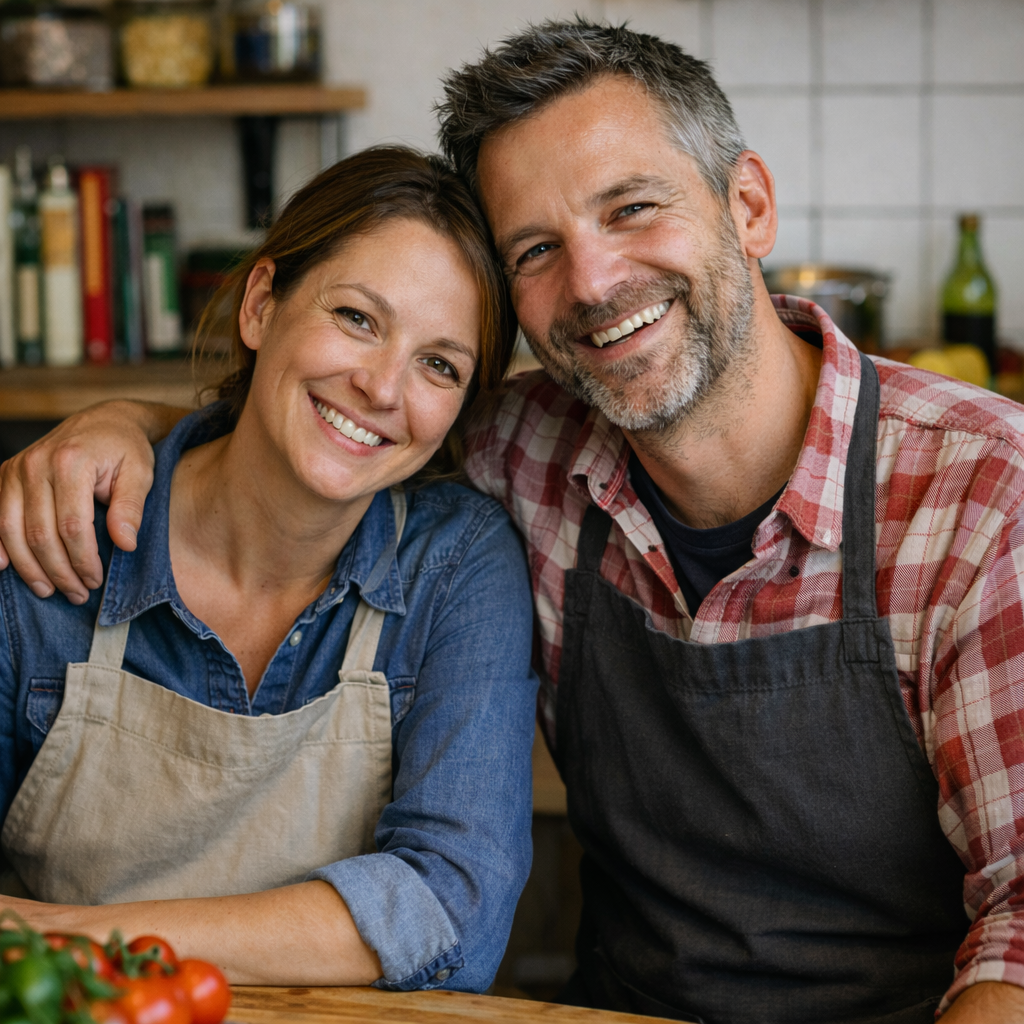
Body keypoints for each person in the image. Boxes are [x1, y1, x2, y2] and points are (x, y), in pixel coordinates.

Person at [3, 17, 1024, 1024]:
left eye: (630, 208)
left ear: (746, 205)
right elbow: (323, 429)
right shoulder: (529, 449)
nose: (590, 282)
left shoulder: (983, 494)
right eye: (536, 248)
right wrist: (118, 426)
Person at [0, 145, 537, 994]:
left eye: (440, 364)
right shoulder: (57, 532)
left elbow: (450, 910)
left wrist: (70, 937)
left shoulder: (456, 564)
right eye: (358, 317)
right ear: (260, 304)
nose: (381, 386)